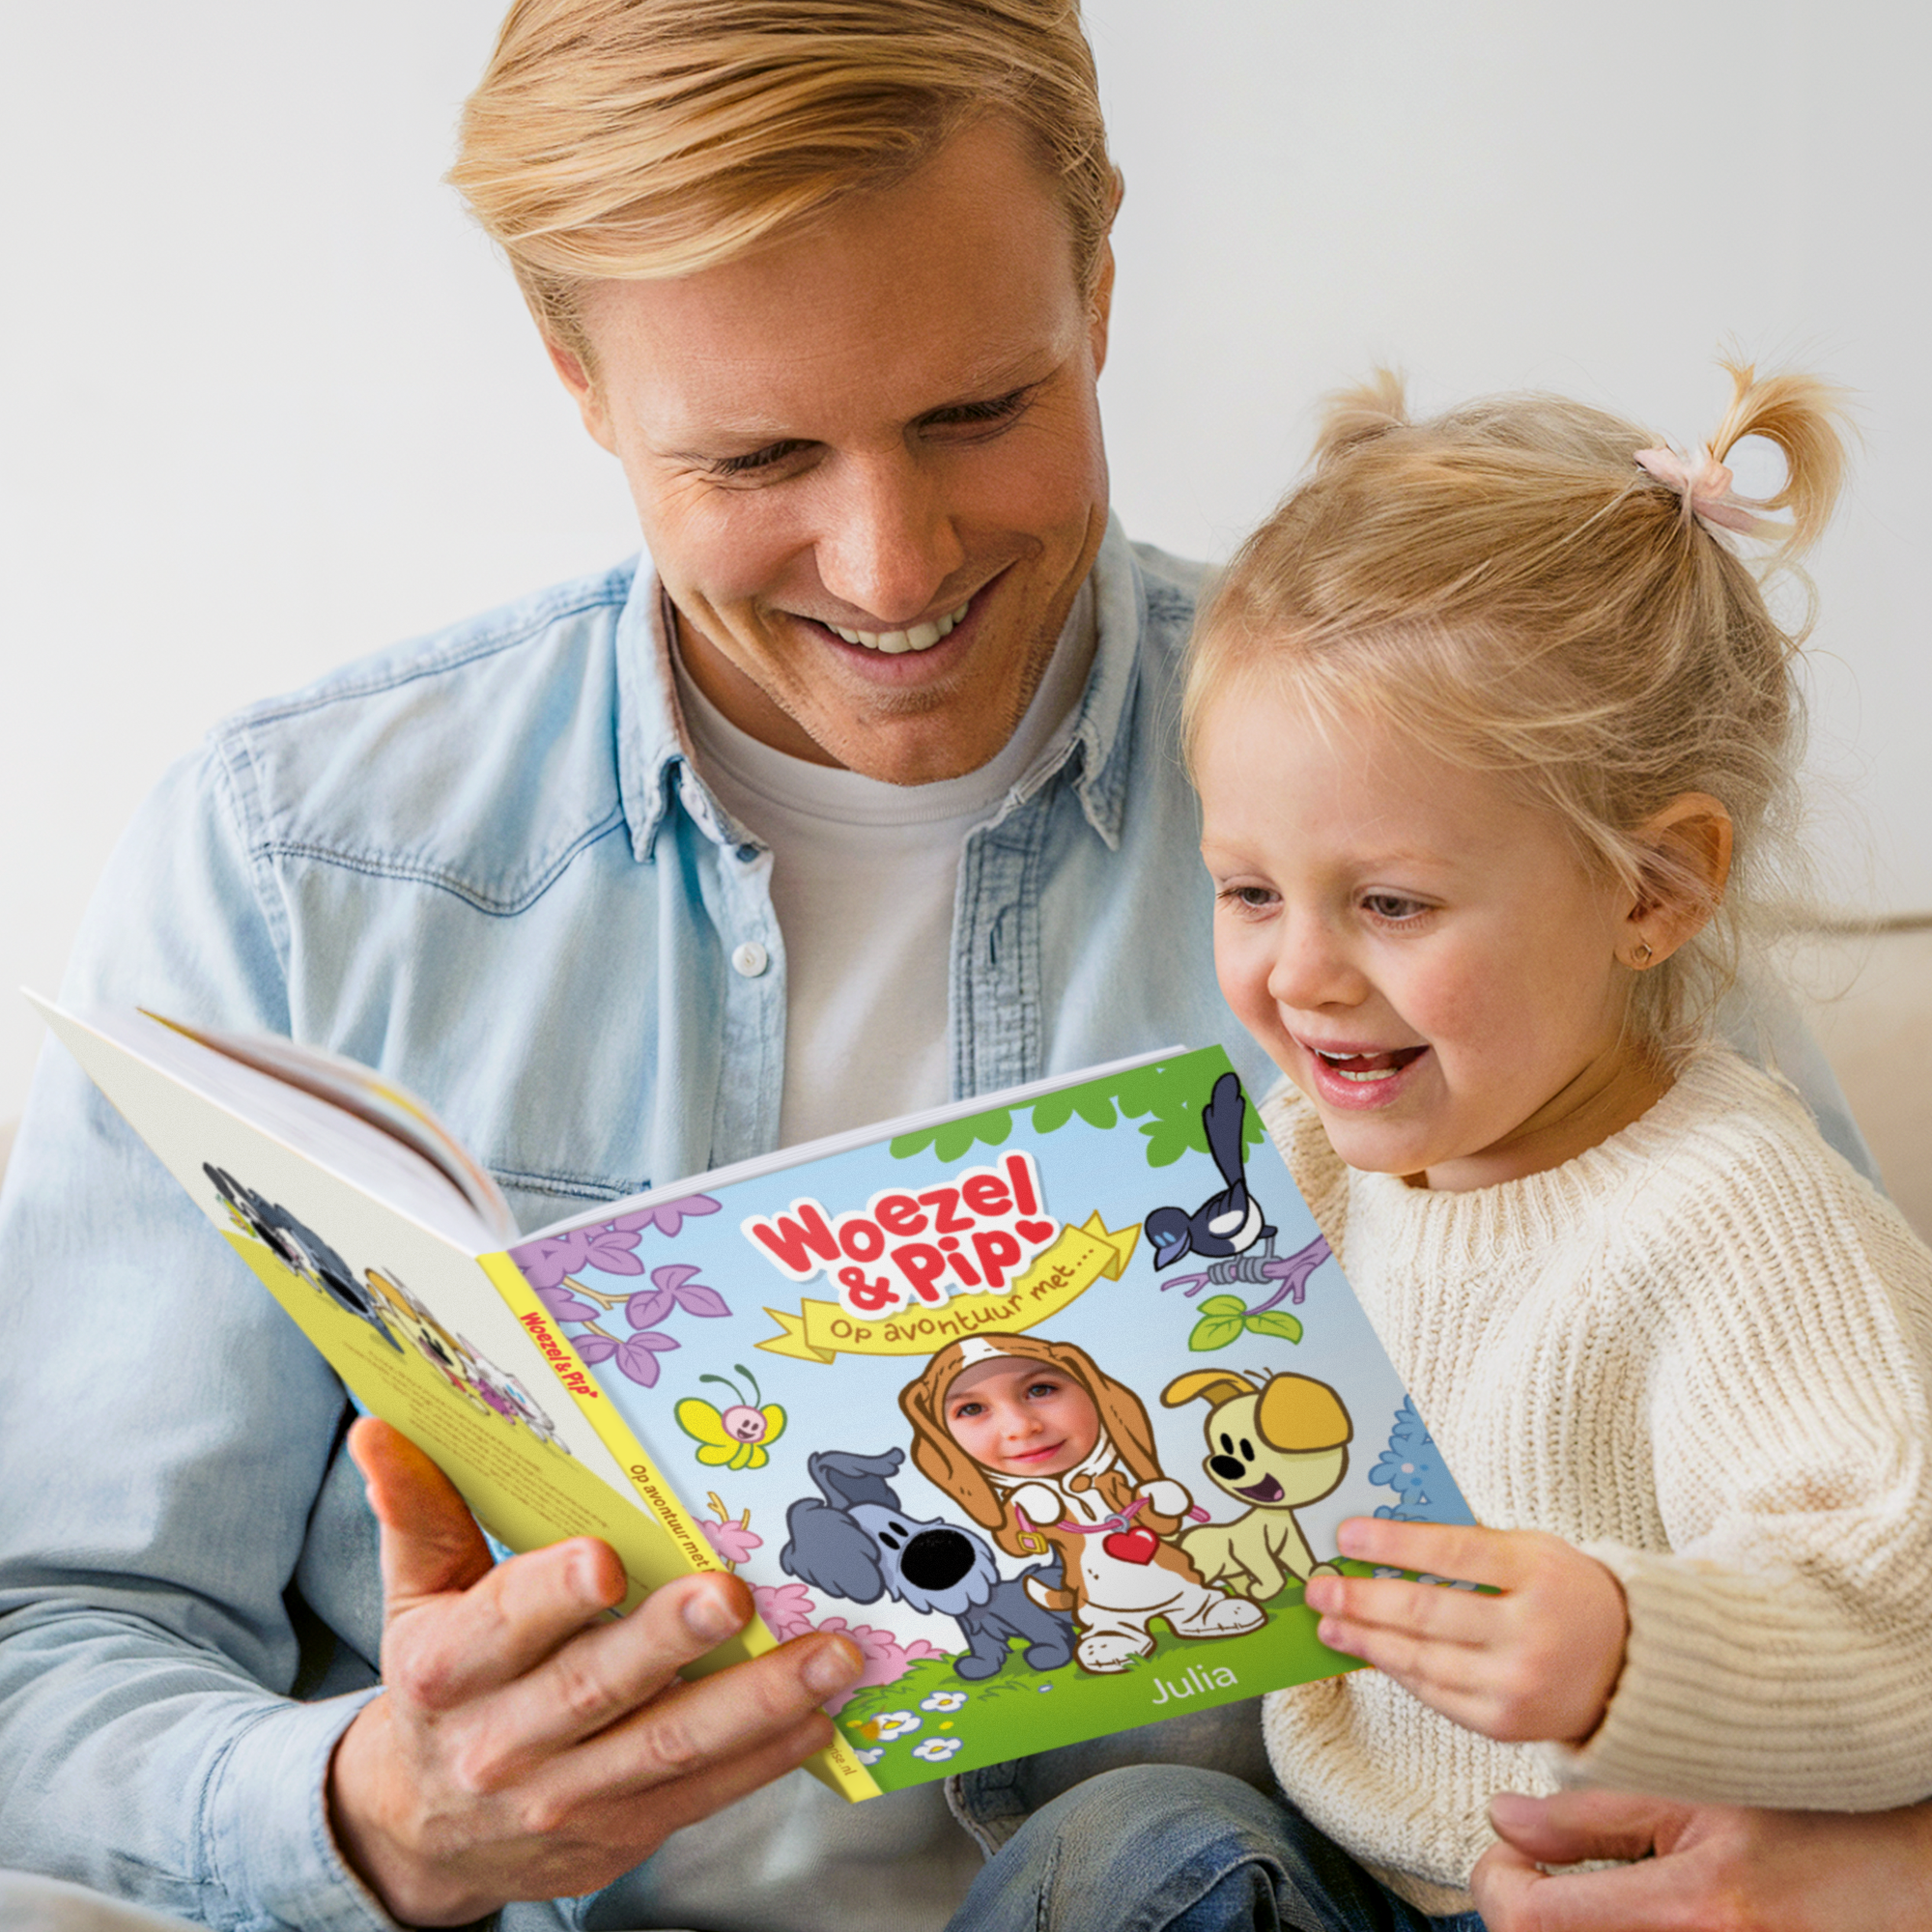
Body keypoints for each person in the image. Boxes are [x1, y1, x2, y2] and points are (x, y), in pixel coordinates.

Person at [0, 0, 1913, 1924]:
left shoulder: (1453, 767)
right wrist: (369, 1808)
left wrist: (1872, 1872)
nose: (890, 565)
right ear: (574, 372)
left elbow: (1855, 1549)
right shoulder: (297, 865)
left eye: (975, 414)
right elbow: (43, 1635)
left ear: (1095, 278)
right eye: (756, 455)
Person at [1122, 363, 1930, 1926]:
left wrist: (1631, 1645)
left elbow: (1906, 1614)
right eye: (1250, 891)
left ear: (1651, 890)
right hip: (1330, 1877)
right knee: (1139, 1839)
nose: (1301, 973)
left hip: (1611, 1895)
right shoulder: (1301, 1172)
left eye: (1393, 904)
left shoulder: (1733, 1212)